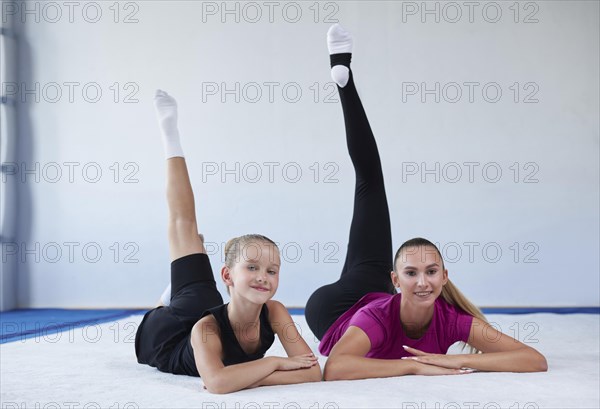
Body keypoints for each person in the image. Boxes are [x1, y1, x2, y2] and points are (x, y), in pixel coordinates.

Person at [305, 24, 548, 381]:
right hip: (333, 309)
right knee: (371, 182)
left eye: (431, 272)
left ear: (445, 276)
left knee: (370, 185)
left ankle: (344, 78)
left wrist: (453, 361)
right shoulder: (375, 318)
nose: (423, 282)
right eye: (412, 273)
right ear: (397, 279)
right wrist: (415, 365)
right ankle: (344, 81)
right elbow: (336, 367)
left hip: (373, 289)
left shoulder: (450, 319)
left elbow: (533, 359)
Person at [134, 90, 321, 393]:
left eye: (272, 271)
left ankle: (179, 282)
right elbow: (218, 383)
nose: (264, 277)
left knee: (192, 283)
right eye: (252, 267)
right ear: (228, 275)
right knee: (184, 225)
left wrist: (245, 374)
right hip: (164, 336)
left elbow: (311, 372)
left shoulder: (274, 311)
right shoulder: (205, 329)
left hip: (202, 300)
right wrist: (272, 363)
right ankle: (170, 134)